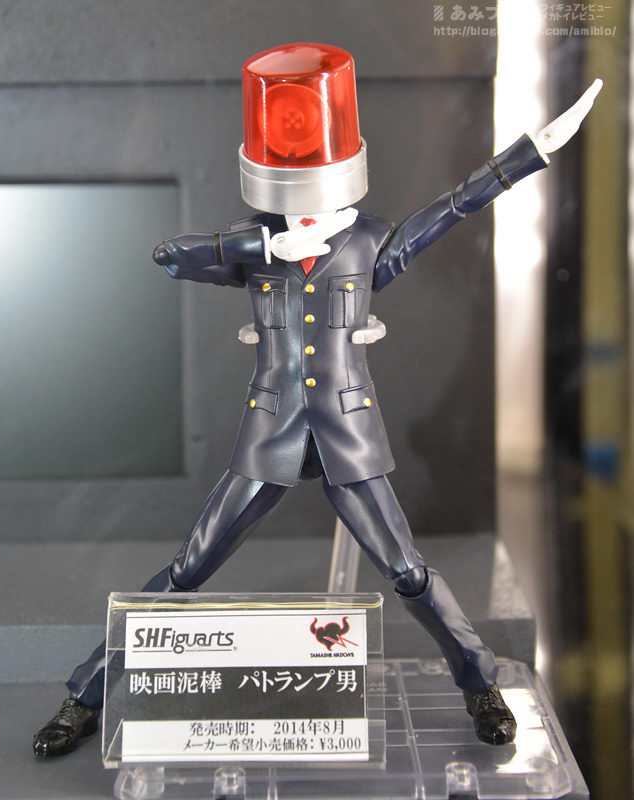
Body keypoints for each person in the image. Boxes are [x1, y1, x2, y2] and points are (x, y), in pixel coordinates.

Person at [33, 43, 602, 757]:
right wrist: (259, 247)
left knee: (407, 571)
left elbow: (454, 206)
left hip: (346, 432)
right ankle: (87, 694)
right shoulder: (255, 247)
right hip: (270, 432)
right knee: (187, 570)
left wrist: (532, 152)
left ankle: (480, 682)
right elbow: (170, 255)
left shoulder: (368, 243)